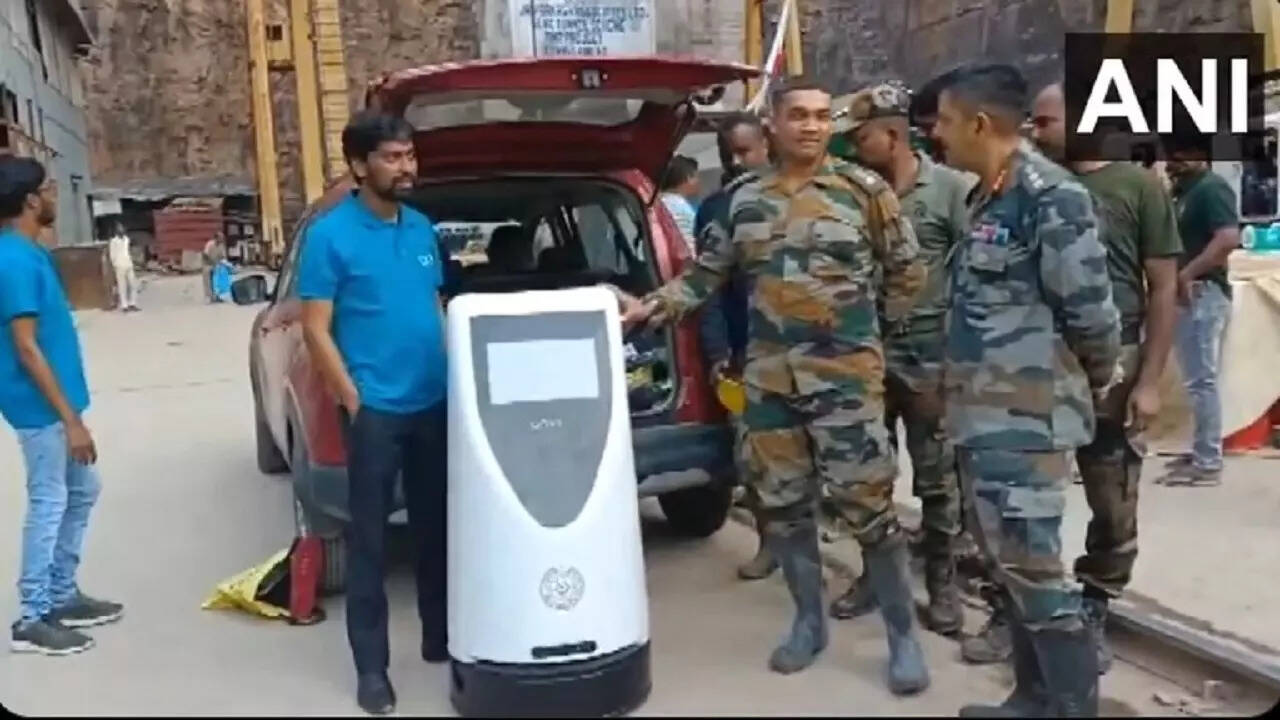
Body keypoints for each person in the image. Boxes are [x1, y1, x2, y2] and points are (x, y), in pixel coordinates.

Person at [620, 77, 931, 695]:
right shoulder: (742, 201)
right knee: (784, 510)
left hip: (846, 383)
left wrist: (868, 338)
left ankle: (903, 637)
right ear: (773, 126)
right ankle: (809, 623)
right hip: (771, 385)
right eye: (799, 116)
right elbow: (704, 278)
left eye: (821, 116)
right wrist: (649, 306)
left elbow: (908, 272)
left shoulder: (863, 192)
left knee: (869, 510)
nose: (811, 126)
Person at [931, 64, 1120, 716]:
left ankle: (1071, 709)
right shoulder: (988, 194)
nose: (937, 133)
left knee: (1037, 572)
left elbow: (1091, 313)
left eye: (945, 121)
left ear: (980, 124)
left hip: (1027, 421)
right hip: (982, 417)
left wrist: (1094, 382)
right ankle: (1031, 699)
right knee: (1008, 567)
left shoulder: (1050, 196)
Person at [297, 111, 448, 715]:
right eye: (391, 157)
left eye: (409, 155)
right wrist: (352, 399)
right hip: (376, 411)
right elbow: (315, 328)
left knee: (437, 529)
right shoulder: (330, 236)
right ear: (360, 165)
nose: (406, 167)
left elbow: (434, 306)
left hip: (432, 402)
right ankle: (372, 670)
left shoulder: (422, 228)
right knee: (371, 544)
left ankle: (440, 638)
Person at [1030, 80, 1183, 675]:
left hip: (1114, 365)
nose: (1035, 132)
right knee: (1028, 496)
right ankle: (1029, 608)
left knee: (1112, 497)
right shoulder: (1032, 185)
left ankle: (1095, 602)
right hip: (1040, 363)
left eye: (1045, 122)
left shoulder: (1137, 187)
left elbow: (1163, 287)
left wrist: (1148, 381)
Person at [826, 82, 972, 636]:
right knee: (869, 476)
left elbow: (974, 272)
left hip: (931, 355)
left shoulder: (951, 190)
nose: (853, 148)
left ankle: (941, 582)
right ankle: (878, 576)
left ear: (892, 134)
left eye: (861, 138)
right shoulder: (852, 194)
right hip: (867, 354)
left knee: (937, 478)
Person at [0, 156, 124, 657]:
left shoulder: (28, 253)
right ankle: (32, 617)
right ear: (31, 201)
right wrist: (71, 421)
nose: (54, 195)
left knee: (82, 490)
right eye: (47, 188)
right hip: (40, 409)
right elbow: (26, 347)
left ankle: (60, 593)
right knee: (50, 500)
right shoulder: (13, 260)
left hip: (55, 405)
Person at [693, 112, 774, 580]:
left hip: (808, 353)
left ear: (766, 146)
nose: (737, 162)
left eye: (745, 151)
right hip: (746, 357)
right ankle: (769, 543)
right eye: (728, 154)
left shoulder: (798, 197)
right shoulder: (715, 209)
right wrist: (718, 353)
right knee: (754, 460)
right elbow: (708, 288)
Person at [1157, 139, 1240, 487]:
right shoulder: (1184, 191)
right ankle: (1201, 449)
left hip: (1203, 293)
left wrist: (1188, 274)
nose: (1171, 162)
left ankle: (1208, 461)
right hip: (1190, 293)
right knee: (1195, 381)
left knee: (1201, 381)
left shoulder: (1211, 188)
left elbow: (1228, 238)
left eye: (1178, 155)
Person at [660, 154, 701, 256]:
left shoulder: (662, 203)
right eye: (695, 176)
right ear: (688, 178)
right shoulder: (679, 207)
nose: (698, 181)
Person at [106, 221, 140, 312]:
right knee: (122, 286)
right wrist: (115, 265)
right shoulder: (113, 241)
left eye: (122, 228)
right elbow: (112, 255)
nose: (121, 230)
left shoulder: (126, 239)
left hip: (128, 263)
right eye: (119, 228)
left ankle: (132, 303)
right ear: (116, 231)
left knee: (133, 284)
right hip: (119, 265)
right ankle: (124, 305)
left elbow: (128, 251)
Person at [201, 233, 226, 303]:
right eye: (221, 238)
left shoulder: (221, 246)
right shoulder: (210, 244)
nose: (222, 239)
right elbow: (205, 254)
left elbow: (222, 256)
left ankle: (217, 296)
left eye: (222, 238)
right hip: (207, 264)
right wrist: (211, 262)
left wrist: (224, 264)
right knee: (207, 281)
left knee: (217, 281)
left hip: (216, 264)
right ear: (216, 238)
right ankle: (209, 297)